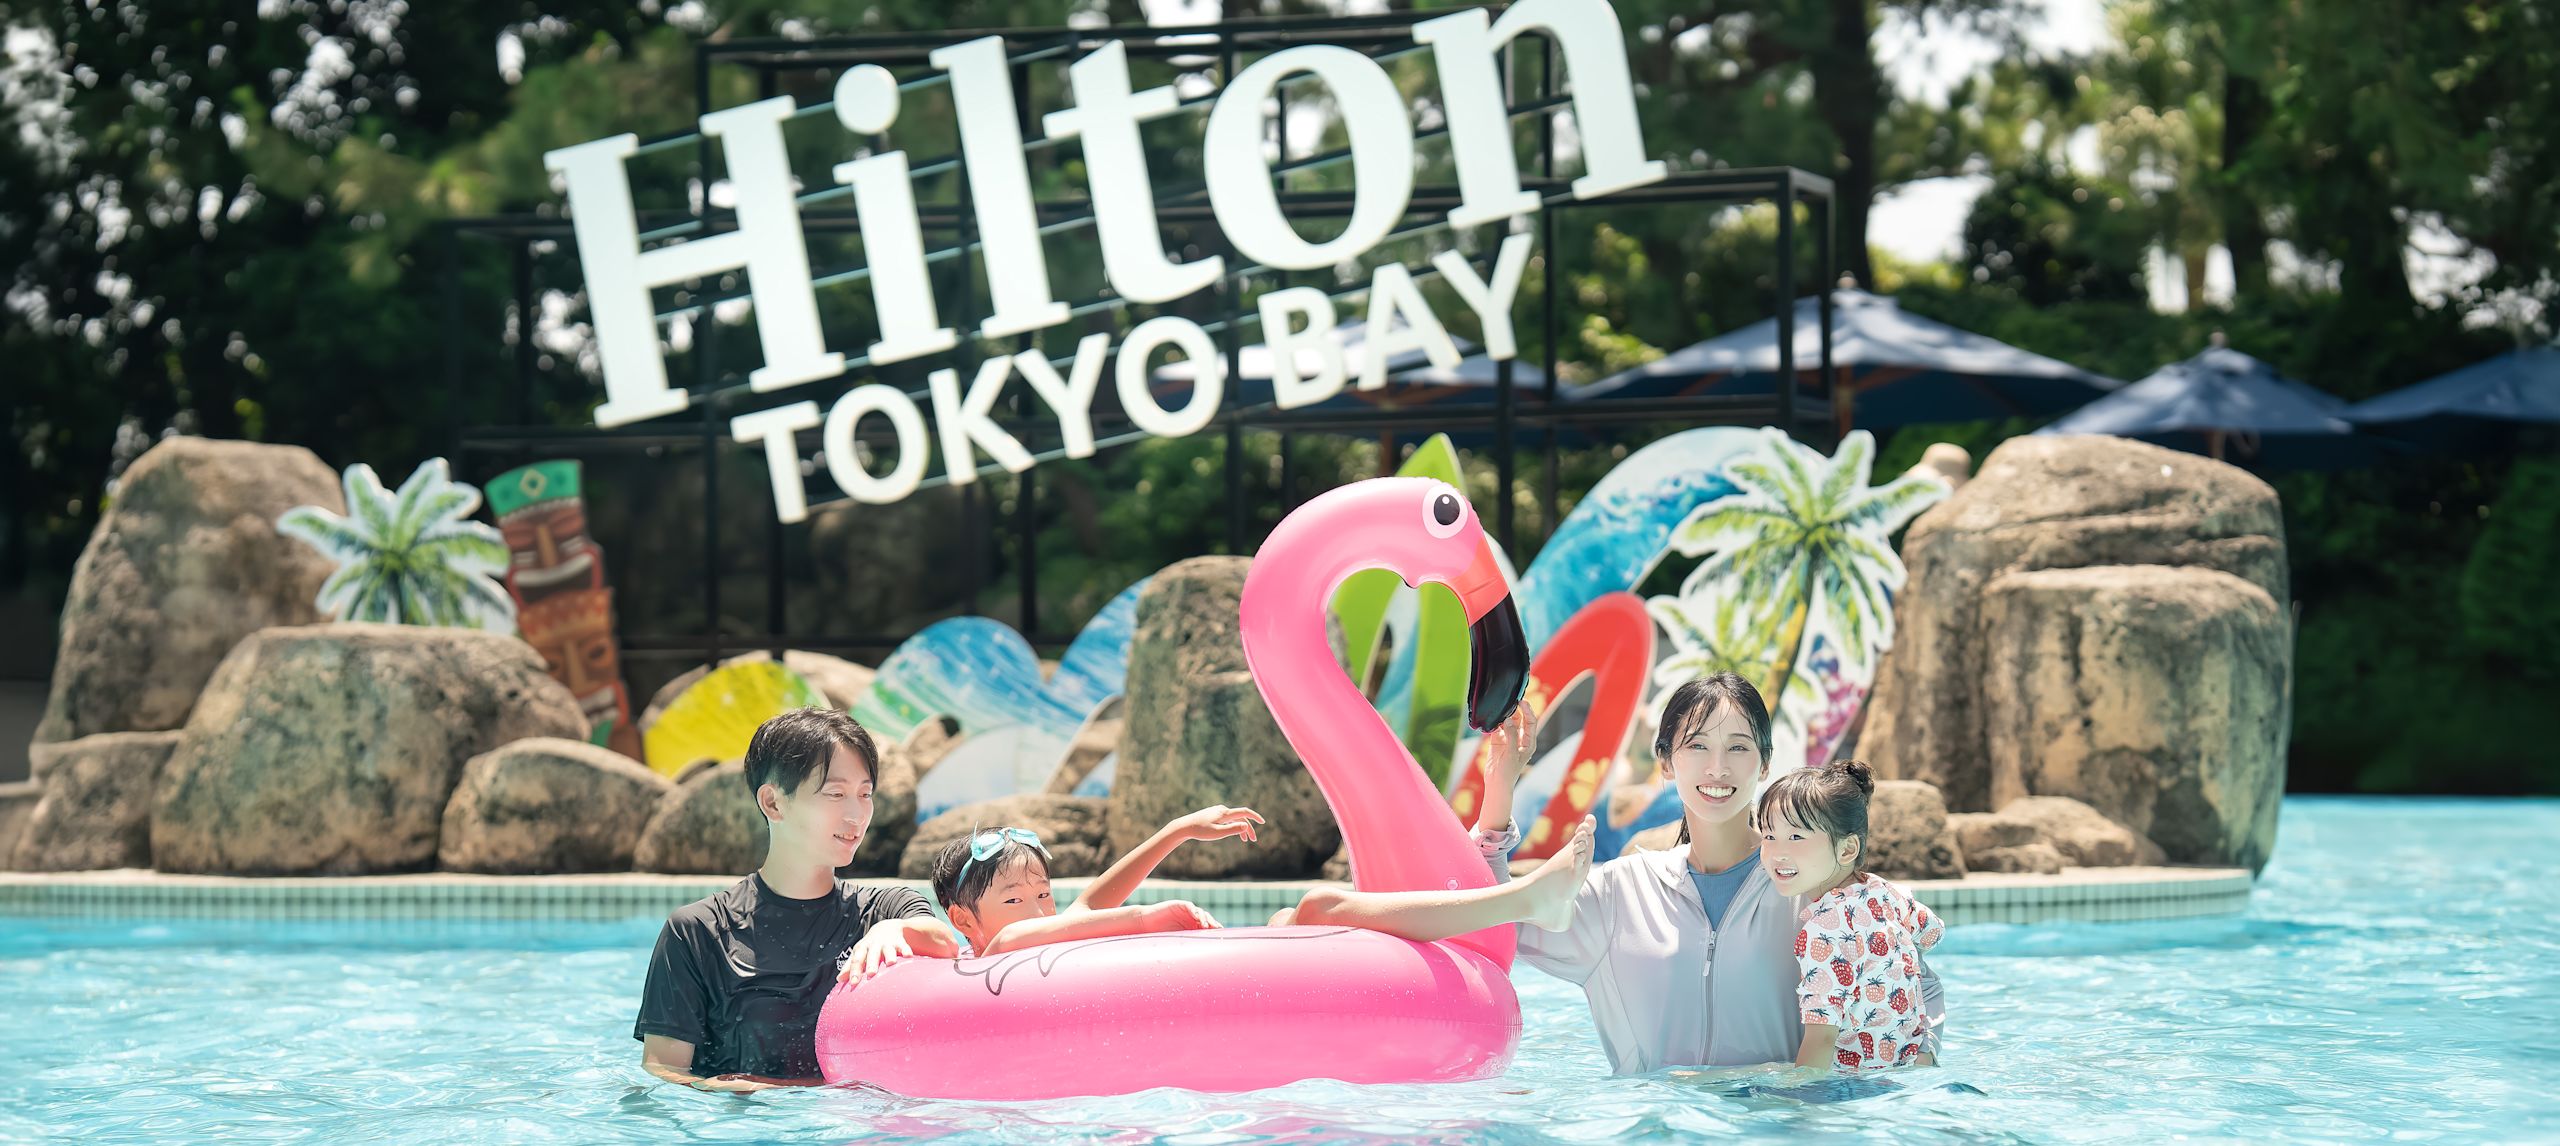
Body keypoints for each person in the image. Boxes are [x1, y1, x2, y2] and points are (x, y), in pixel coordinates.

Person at [1468, 672, 1945, 1074]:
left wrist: (1914, 1066)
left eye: (1738, 747)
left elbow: (1916, 979)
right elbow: (1492, 925)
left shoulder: (1812, 887)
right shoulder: (1621, 892)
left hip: (1779, 1127)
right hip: (1657, 1128)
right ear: (1666, 761)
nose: (1718, 768)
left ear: (1764, 764)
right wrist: (1499, 793)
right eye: (1697, 745)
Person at [841, 803, 1597, 981]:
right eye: (1015, 896)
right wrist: (889, 932)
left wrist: (1178, 830)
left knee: (1316, 906)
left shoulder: (1045, 929)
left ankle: (1520, 901)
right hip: (1200, 962)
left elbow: (1090, 900)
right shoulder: (993, 949)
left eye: (1043, 893)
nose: (1040, 908)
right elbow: (942, 938)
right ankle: (1520, 900)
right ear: (963, 916)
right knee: (1309, 911)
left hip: (1235, 967)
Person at [632, 707, 957, 1094]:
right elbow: (664, 1074)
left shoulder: (884, 912)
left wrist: (894, 929)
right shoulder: (699, 932)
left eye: (865, 794)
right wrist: (760, 1096)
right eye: (835, 794)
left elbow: (946, 944)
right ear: (773, 803)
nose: (856, 815)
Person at [1759, 759, 1943, 1072]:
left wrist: (1796, 1107)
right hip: (1911, 1067)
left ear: (1846, 850)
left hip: (1856, 1087)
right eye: (1768, 835)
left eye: (1796, 837)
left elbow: (1821, 1040)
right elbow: (1933, 932)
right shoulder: (1886, 892)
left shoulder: (1823, 931)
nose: (1777, 852)